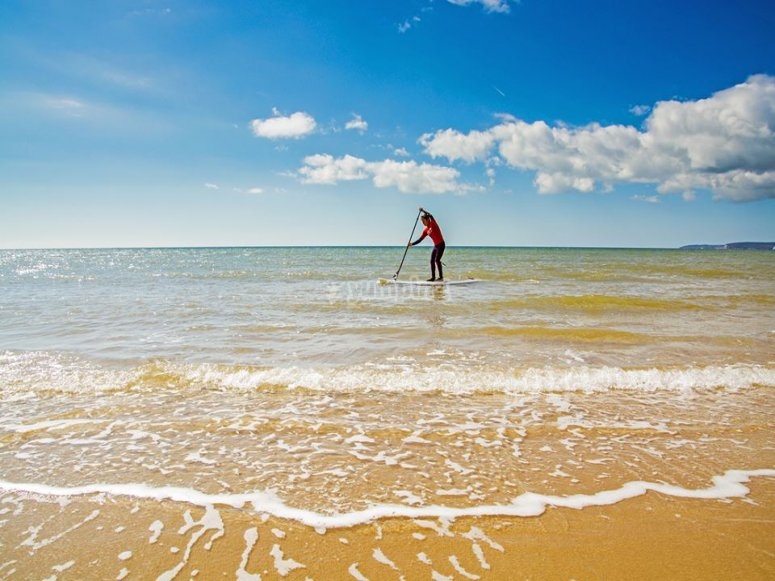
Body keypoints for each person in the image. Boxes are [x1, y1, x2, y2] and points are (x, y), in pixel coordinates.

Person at [408, 207, 445, 281]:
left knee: (437, 260)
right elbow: (420, 239)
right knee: (432, 260)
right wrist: (412, 244)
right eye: (421, 221)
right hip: (436, 246)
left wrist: (423, 211)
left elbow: (430, 215)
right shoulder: (426, 230)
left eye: (423, 221)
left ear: (427, 219)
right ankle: (433, 277)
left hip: (441, 244)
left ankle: (441, 277)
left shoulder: (433, 223)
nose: (422, 223)